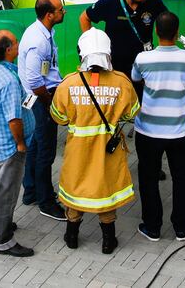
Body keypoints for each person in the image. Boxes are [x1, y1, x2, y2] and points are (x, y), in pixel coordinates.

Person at [51, 28, 140, 254]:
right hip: (108, 150)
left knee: (76, 188)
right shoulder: (122, 82)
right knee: (105, 191)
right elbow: (131, 115)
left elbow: (59, 117)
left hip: (78, 150)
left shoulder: (68, 84)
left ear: (82, 54)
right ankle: (108, 241)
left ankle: (72, 235)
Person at [131, 12, 185, 242]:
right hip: (179, 130)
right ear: (177, 32)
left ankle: (152, 226)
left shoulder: (142, 59)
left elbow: (136, 79)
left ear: (156, 32)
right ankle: (181, 227)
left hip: (148, 130)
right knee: (181, 176)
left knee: (148, 177)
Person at [0, 29, 35, 257]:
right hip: (8, 147)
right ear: (8, 49)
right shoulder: (9, 81)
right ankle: (4, 241)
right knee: (6, 194)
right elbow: (14, 119)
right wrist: (20, 144)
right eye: (15, 41)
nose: (19, 43)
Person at [18, 0, 68, 221]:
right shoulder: (38, 41)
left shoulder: (44, 32)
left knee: (37, 145)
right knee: (45, 152)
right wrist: (49, 101)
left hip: (41, 95)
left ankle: (31, 191)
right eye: (60, 10)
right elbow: (34, 79)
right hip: (41, 98)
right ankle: (46, 201)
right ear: (49, 15)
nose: (63, 12)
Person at [79, 0, 168, 79]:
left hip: (143, 63)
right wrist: (92, 47)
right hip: (115, 66)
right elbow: (84, 18)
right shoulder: (110, 2)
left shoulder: (154, 1)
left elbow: (168, 21)